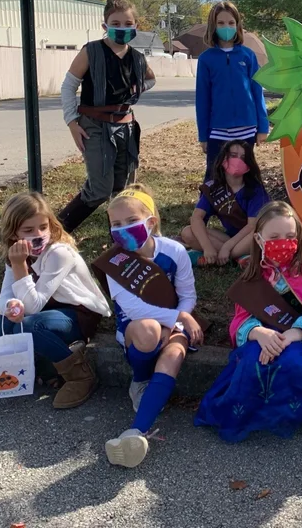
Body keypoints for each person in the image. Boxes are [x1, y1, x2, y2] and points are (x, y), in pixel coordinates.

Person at [195, 202, 302, 441]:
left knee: (295, 361)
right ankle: (252, 410)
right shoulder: (253, 274)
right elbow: (241, 320)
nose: (283, 242)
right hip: (264, 336)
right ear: (259, 239)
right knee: (252, 359)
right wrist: (259, 334)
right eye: (274, 237)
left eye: (290, 236)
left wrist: (295, 334)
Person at [100, 186, 201, 468]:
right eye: (116, 225)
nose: (123, 229)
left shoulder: (174, 251)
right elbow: (132, 309)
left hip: (177, 318)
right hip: (137, 326)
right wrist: (175, 320)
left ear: (151, 222)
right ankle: (140, 381)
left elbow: (188, 295)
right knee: (149, 331)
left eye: (131, 221)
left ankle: (136, 432)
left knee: (173, 356)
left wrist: (180, 318)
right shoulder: (115, 261)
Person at [0, 192, 111, 408]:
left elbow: (34, 306)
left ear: (51, 225)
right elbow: (4, 297)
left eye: (43, 227)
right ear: (14, 232)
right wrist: (10, 307)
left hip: (78, 313)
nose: (38, 235)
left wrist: (20, 267)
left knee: (30, 325)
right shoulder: (17, 254)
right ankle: (9, 372)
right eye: (28, 230)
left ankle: (80, 376)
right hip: (47, 310)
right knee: (0, 322)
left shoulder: (59, 253)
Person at [58, 0, 156, 232]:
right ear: (105, 26)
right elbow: (69, 86)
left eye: (127, 23)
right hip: (95, 125)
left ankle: (123, 242)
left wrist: (136, 87)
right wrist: (72, 122)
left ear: (135, 25)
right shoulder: (91, 51)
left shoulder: (137, 58)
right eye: (116, 23)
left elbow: (151, 79)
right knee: (99, 189)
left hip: (126, 126)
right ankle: (55, 234)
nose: (122, 28)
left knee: (124, 190)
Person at [195, 0, 269, 180]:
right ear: (213, 26)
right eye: (221, 23)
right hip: (218, 129)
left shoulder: (248, 55)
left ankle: (245, 206)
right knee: (215, 174)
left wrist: (263, 126)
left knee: (244, 173)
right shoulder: (206, 59)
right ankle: (211, 207)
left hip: (247, 127)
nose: (226, 27)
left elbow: (257, 92)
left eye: (231, 23)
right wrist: (203, 135)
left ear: (237, 26)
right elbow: (202, 99)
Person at [180, 140, 269, 267]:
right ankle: (238, 257)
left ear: (249, 164)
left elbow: (252, 226)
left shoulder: (255, 190)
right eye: (233, 155)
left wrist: (227, 248)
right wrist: (207, 247)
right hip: (229, 237)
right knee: (187, 232)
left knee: (259, 236)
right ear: (223, 159)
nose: (238, 161)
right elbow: (196, 218)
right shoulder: (214, 188)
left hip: (252, 237)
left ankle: (223, 257)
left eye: (243, 158)